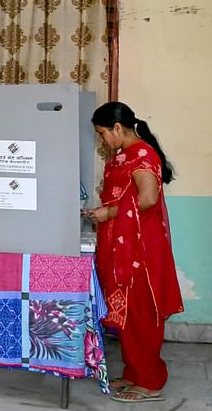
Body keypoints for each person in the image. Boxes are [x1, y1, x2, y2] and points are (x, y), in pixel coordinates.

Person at [84, 101, 183, 403]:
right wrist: (102, 213)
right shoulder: (124, 155)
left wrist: (109, 213)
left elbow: (149, 198)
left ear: (117, 128)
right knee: (127, 312)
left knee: (141, 313)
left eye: (102, 133)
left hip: (141, 248)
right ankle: (134, 372)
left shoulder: (142, 154)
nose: (102, 139)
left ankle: (150, 381)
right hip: (124, 243)